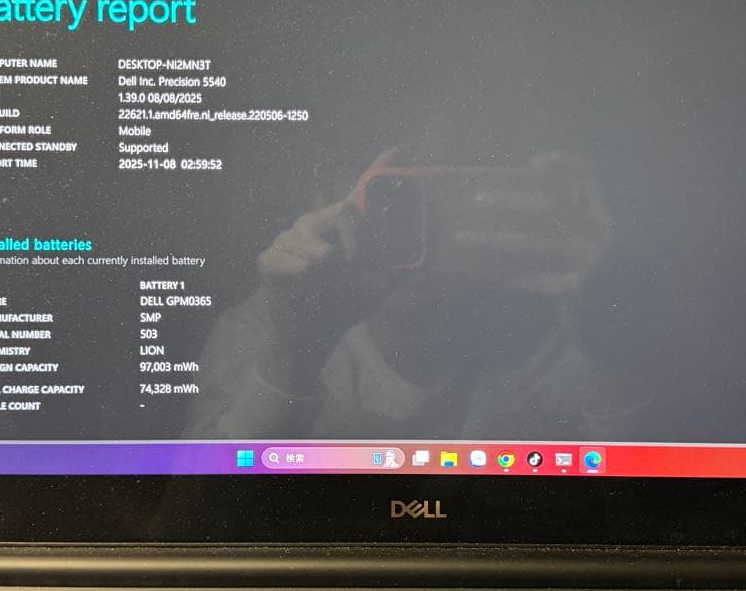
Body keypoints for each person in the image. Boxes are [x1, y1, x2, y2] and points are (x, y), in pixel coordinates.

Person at [185, 139, 647, 441]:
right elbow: (188, 524)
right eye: (393, 193)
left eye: (449, 195)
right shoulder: (267, 325)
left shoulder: (576, 322)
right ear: (321, 198)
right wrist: (295, 358)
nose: (421, 229)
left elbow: (636, 519)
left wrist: (619, 348)